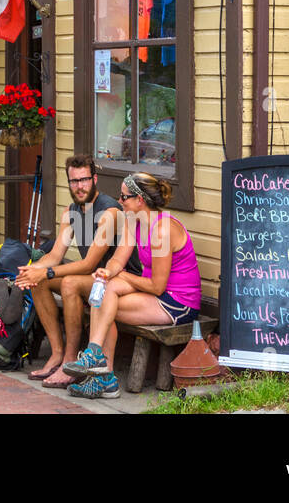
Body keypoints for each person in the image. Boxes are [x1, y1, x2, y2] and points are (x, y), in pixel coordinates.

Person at [63, 173, 203, 399]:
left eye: (124, 197)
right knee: (103, 293)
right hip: (152, 292)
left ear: (140, 200)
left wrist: (125, 278)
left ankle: (102, 373)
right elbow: (119, 259)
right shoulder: (134, 221)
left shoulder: (162, 230)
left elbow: (158, 286)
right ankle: (98, 361)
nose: (119, 201)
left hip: (177, 301)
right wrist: (107, 272)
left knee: (106, 305)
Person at [14, 154, 141, 389]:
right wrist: (30, 271)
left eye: (84, 180)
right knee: (38, 281)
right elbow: (54, 256)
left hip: (117, 280)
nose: (79, 186)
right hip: (93, 280)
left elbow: (89, 263)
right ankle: (57, 354)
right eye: (74, 181)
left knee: (68, 282)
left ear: (94, 179)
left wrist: (48, 272)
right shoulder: (70, 212)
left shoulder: (110, 212)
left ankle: (71, 362)